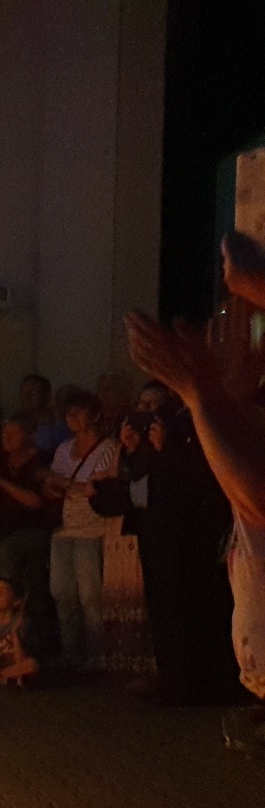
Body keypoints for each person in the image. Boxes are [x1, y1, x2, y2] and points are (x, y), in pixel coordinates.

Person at [130, 231, 265, 748]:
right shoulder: (241, 413)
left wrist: (199, 392)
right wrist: (207, 393)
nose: (220, 338)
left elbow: (256, 495)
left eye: (236, 325)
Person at [120, 406, 245, 705]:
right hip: (157, 540)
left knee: (188, 612)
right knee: (164, 611)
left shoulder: (195, 437)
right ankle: (174, 679)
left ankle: (198, 684)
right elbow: (140, 484)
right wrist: (134, 450)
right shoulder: (154, 446)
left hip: (188, 542)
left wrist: (167, 450)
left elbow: (197, 480)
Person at [44, 390, 120, 672]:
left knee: (91, 595)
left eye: (79, 411)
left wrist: (64, 484)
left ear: (95, 415)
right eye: (68, 412)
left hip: (92, 528)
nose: (72, 417)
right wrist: (68, 485)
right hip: (65, 527)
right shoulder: (64, 448)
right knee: (62, 592)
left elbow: (94, 488)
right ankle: (71, 655)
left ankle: (98, 657)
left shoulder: (107, 448)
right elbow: (53, 485)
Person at [0, 417, 51, 599]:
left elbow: (36, 501)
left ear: (30, 435)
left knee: (3, 551)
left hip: (32, 527)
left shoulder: (42, 460)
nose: (6, 437)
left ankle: (4, 604)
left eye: (13, 433)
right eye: (4, 432)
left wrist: (3, 483)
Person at [17, 374, 70, 454]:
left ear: (47, 395)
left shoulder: (58, 424)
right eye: (23, 393)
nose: (26, 397)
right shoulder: (16, 422)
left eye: (33, 393)